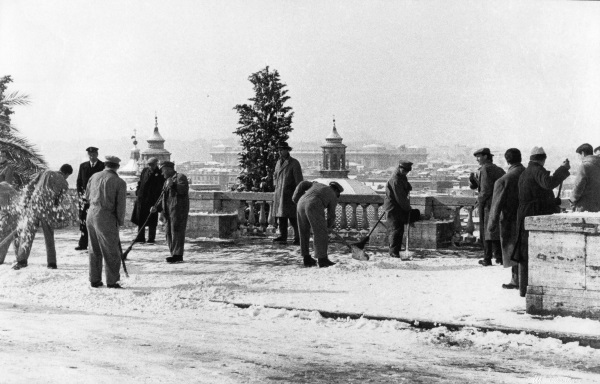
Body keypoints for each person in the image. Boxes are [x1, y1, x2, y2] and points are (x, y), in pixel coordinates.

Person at [513, 147, 570, 297]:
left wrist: (552, 201)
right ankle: (526, 289)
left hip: (526, 213)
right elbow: (548, 183)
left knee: (525, 252)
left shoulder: (527, 172)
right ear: (543, 159)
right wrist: (562, 169)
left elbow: (537, 193)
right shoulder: (537, 170)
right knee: (529, 253)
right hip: (533, 214)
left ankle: (523, 289)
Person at [12, 165, 73, 270]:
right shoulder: (64, 182)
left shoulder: (45, 173)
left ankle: (21, 261)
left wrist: (26, 202)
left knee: (27, 234)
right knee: (49, 236)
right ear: (67, 174)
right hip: (47, 209)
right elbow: (58, 201)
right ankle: (51, 263)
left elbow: (30, 186)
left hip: (33, 206)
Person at [86, 156, 127, 288]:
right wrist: (119, 221)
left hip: (91, 213)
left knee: (94, 248)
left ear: (105, 164)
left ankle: (94, 279)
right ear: (117, 167)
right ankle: (112, 280)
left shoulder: (94, 176)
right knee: (111, 250)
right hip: (106, 216)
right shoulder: (119, 181)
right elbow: (120, 206)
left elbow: (87, 196)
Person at [487, 149, 525, 290]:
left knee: (512, 250)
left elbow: (496, 205)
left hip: (510, 220)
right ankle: (522, 279)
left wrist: (491, 225)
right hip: (527, 218)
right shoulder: (527, 174)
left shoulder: (504, 180)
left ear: (507, 161)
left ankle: (515, 280)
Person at [293, 180, 343, 268]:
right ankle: (322, 259)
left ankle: (306, 258)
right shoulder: (333, 195)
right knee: (320, 233)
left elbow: (302, 183)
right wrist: (327, 226)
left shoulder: (317, 184)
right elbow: (331, 215)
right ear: (336, 191)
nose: (337, 197)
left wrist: (295, 198)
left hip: (301, 203)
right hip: (314, 204)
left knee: (303, 232)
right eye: (338, 195)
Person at [469, 148, 505, 266]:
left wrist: (478, 201)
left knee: (485, 231)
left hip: (487, 204)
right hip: (498, 203)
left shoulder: (485, 169)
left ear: (485, 156)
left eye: (479, 156)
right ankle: (499, 257)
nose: (477, 159)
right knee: (494, 230)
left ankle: (487, 258)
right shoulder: (498, 169)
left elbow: (485, 190)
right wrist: (475, 182)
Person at [151, 161, 189, 263]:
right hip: (167, 211)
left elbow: (183, 190)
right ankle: (173, 253)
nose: (162, 173)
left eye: (163, 171)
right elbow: (163, 196)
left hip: (178, 210)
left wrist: (173, 185)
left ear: (168, 169)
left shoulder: (180, 177)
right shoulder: (166, 181)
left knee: (176, 232)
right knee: (168, 232)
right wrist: (156, 207)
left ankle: (178, 255)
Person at [272, 141, 303, 245]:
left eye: (282, 150)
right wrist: (276, 186)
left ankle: (298, 237)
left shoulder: (294, 163)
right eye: (279, 150)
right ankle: (282, 236)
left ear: (287, 150)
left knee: (293, 217)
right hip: (280, 194)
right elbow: (275, 176)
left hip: (290, 195)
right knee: (281, 217)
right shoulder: (278, 163)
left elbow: (299, 181)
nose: (280, 152)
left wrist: (297, 194)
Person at [76, 147, 105, 251]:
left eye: (93, 154)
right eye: (90, 155)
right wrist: (81, 195)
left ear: (97, 154)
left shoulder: (102, 166)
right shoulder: (83, 166)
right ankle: (83, 243)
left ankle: (97, 244)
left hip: (96, 199)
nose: (92, 156)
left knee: (97, 221)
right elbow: (79, 182)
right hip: (84, 199)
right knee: (84, 220)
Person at [383, 161, 413, 259]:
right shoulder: (395, 179)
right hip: (393, 207)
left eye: (407, 171)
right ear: (400, 168)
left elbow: (404, 187)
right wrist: (407, 208)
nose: (406, 173)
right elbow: (400, 197)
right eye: (405, 171)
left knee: (399, 229)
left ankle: (397, 250)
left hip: (397, 207)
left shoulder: (401, 177)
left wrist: (407, 186)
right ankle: (393, 252)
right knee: (395, 229)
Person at [131, 157, 165, 243]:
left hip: (152, 200)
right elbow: (140, 182)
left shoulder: (160, 173)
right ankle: (140, 237)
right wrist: (138, 191)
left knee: (152, 220)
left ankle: (151, 238)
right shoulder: (145, 171)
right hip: (142, 199)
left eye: (152, 165)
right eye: (149, 164)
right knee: (140, 220)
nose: (150, 166)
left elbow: (161, 187)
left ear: (156, 164)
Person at [571, 143, 600, 212]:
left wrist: (572, 201)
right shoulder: (597, 165)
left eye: (578, 155)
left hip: (584, 208)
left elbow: (578, 187)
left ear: (583, 153)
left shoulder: (584, 166)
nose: (578, 158)